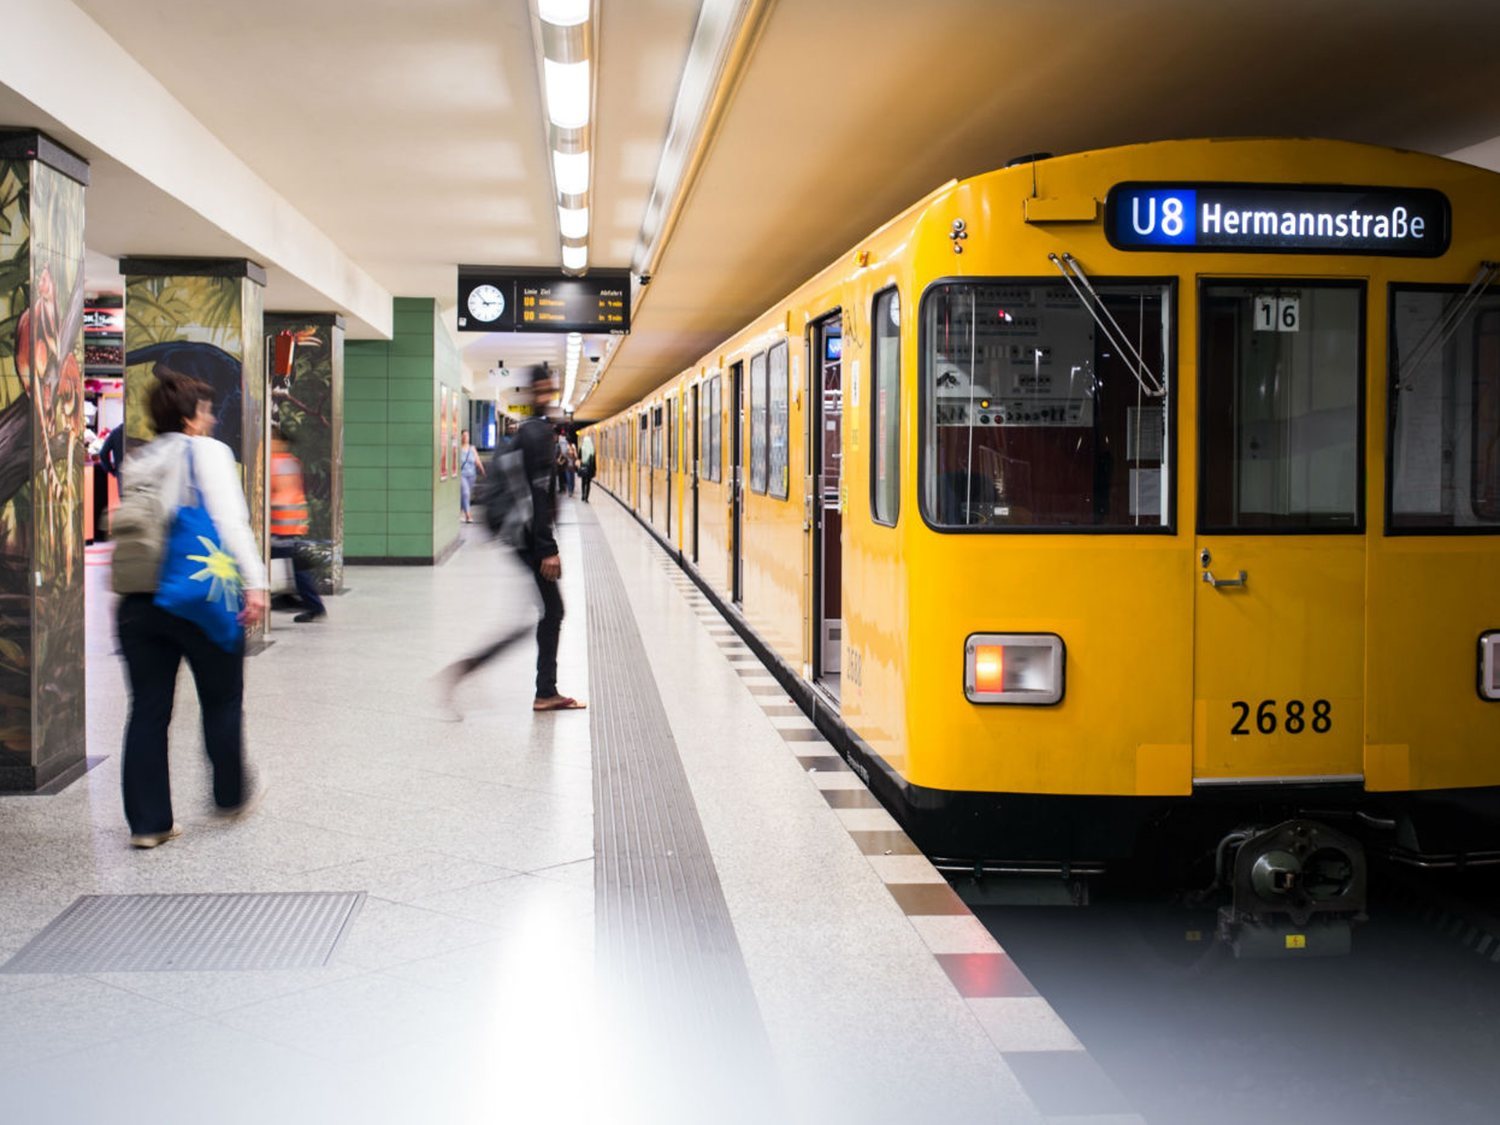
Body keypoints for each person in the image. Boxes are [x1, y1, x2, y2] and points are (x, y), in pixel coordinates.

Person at [114, 373, 268, 848]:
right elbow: (229, 520)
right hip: (198, 598)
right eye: (206, 410)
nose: (212, 418)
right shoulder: (207, 453)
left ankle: (149, 824)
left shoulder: (137, 459)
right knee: (221, 700)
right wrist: (257, 583)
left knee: (147, 710)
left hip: (138, 602)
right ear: (188, 418)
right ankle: (229, 796)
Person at [439, 367, 585, 714]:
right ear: (539, 388)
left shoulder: (532, 429)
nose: (551, 390)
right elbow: (535, 492)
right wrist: (546, 548)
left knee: (544, 612)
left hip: (520, 536)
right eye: (548, 384)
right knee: (552, 611)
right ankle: (540, 690)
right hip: (528, 538)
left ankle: (518, 681)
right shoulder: (538, 433)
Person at [269, 435, 326, 623]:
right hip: (285, 525)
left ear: (281, 442)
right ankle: (306, 603)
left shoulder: (282, 463)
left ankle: (302, 602)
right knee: (296, 566)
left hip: (284, 525)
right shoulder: (283, 461)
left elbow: (284, 494)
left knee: (294, 566)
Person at [458, 429, 484, 523]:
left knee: (464, 495)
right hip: (462, 475)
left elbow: (477, 460)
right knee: (465, 493)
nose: (465, 437)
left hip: (472, 475)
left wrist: (482, 470)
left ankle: (458, 513)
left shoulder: (472, 448)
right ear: (460, 437)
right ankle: (468, 516)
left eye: (467, 436)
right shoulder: (458, 449)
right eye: (463, 435)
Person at [578, 434, 596, 503]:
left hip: (583, 468)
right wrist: (595, 469)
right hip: (590, 469)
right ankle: (586, 498)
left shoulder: (581, 448)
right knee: (588, 483)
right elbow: (594, 461)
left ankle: (582, 495)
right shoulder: (592, 449)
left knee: (583, 482)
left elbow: (579, 458)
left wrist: (579, 466)